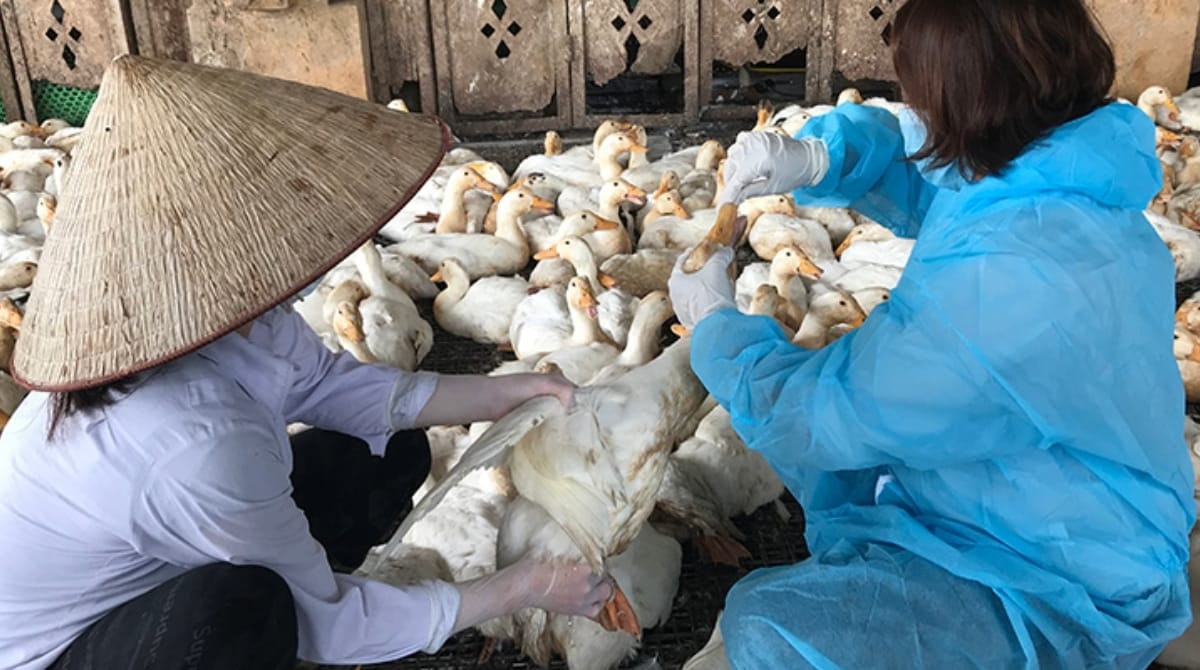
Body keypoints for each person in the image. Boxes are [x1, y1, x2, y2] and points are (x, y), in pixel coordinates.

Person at [0, 56, 613, 669]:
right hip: (62, 649)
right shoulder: (191, 441)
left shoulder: (203, 321)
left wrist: (512, 393)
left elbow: (333, 386)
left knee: (385, 454)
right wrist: (526, 587)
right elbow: (329, 623)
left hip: (161, 552)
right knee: (249, 606)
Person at [668, 0, 1194, 667]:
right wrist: (821, 158)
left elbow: (833, 412)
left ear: (970, 99)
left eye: (919, 94)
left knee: (769, 624)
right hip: (1049, 504)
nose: (911, 107)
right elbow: (945, 179)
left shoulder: (1010, 287)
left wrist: (717, 330)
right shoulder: (1063, 181)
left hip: (1057, 579)